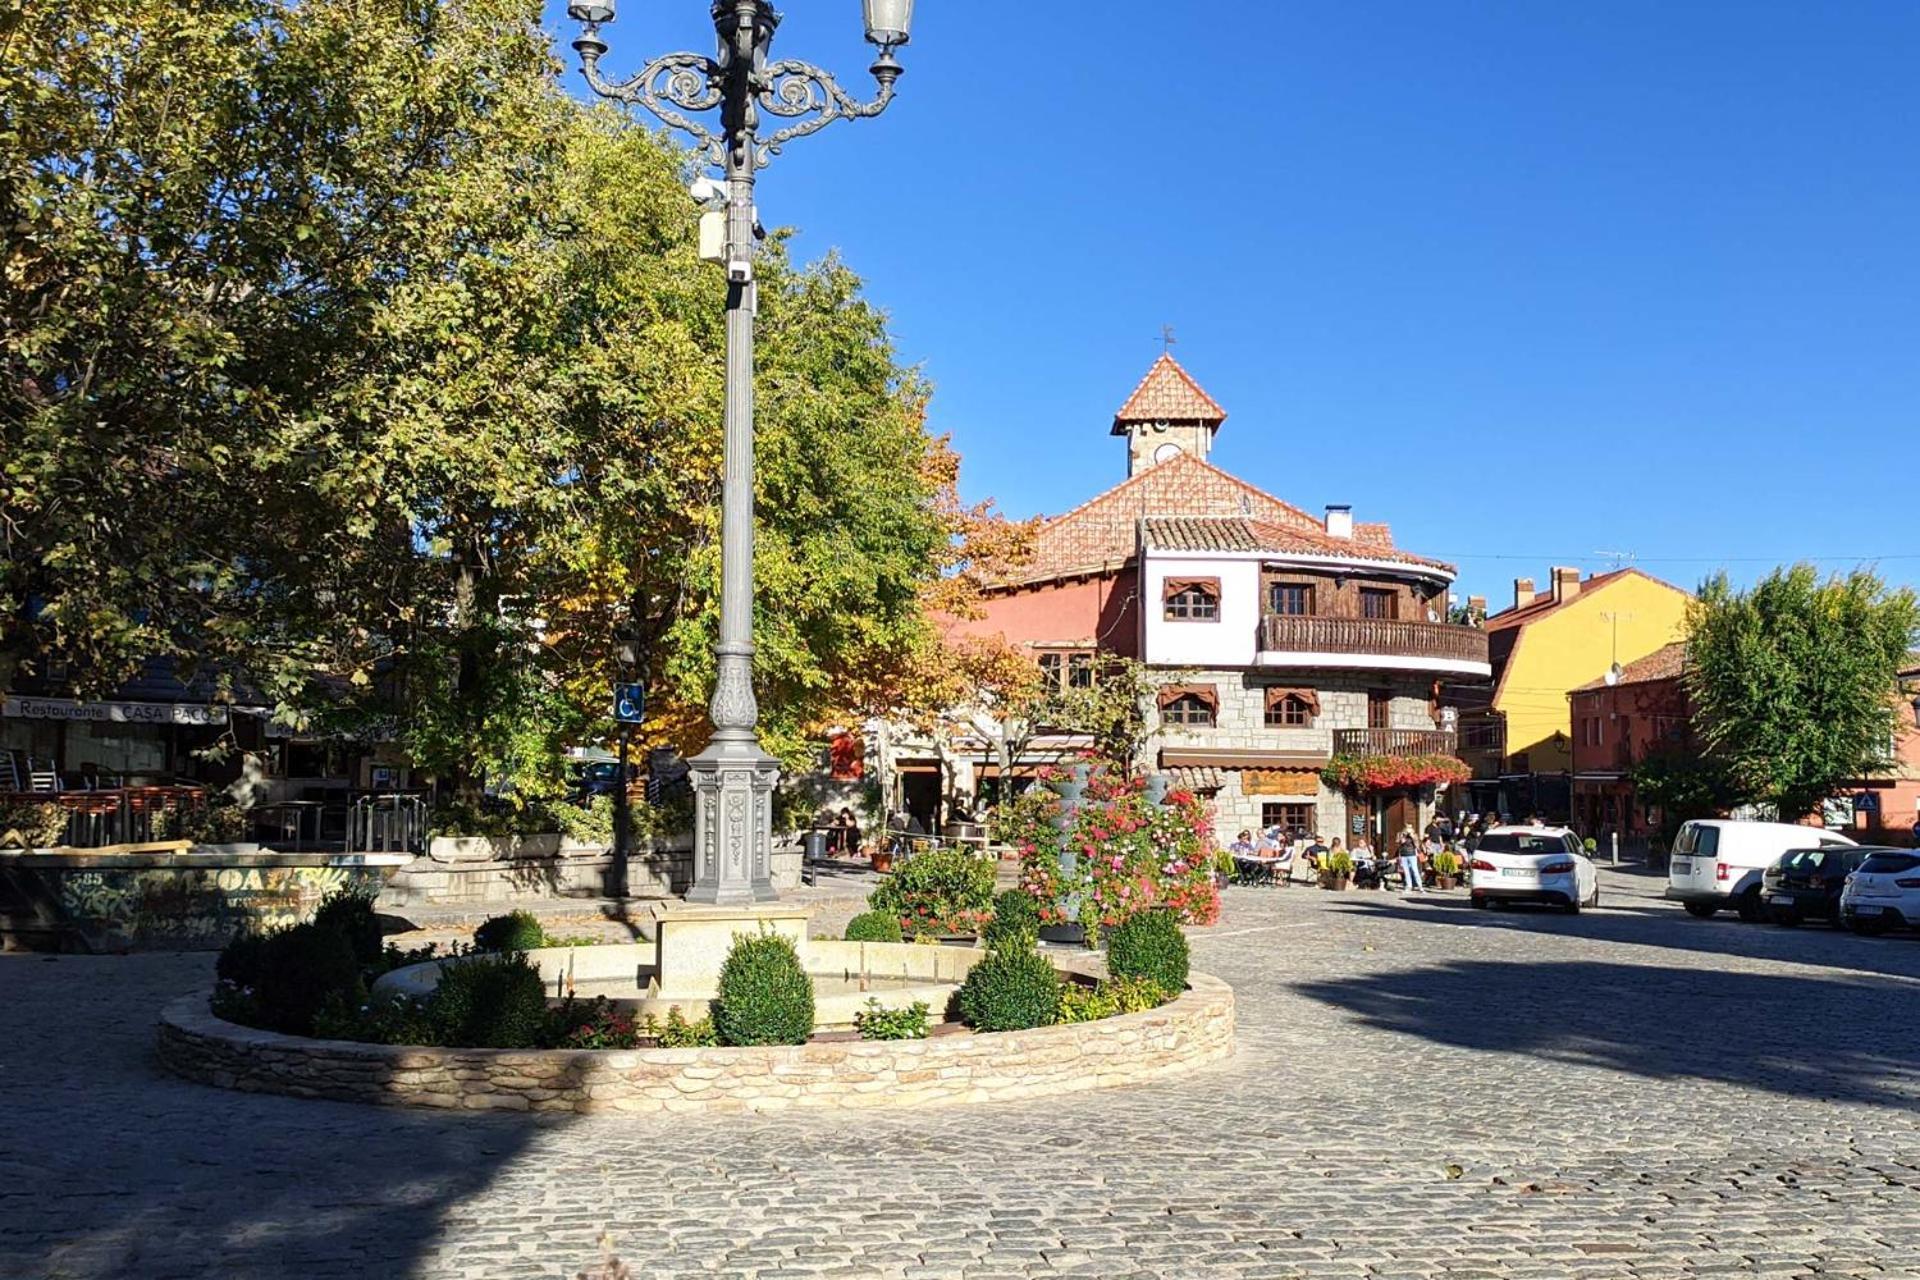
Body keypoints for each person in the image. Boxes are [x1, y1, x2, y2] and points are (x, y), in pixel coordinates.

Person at [1396, 824, 1424, 893]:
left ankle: (1420, 886)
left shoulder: (1414, 835)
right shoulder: (1401, 834)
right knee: (1406, 871)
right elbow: (1399, 842)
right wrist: (1403, 836)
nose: (1409, 829)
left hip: (1412, 854)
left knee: (1415, 870)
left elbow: (1417, 845)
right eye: (1407, 828)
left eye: (1410, 828)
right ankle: (1409, 886)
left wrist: (1413, 837)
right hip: (1403, 854)